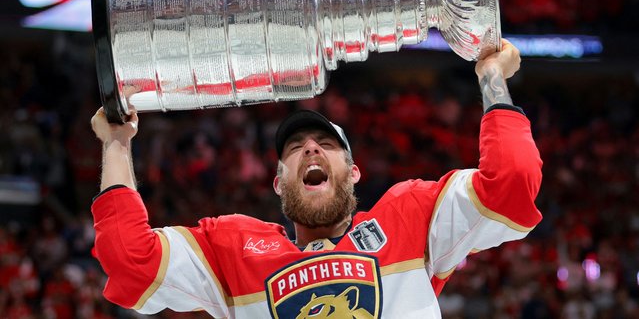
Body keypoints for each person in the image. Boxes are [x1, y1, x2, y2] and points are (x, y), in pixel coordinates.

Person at [90, 39, 542, 318]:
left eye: (327, 146)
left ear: (355, 172)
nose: (310, 148)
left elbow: (512, 185)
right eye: (294, 148)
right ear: (277, 182)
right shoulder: (232, 249)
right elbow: (129, 261)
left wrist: (491, 78)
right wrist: (116, 142)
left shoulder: (410, 216)